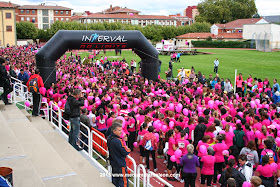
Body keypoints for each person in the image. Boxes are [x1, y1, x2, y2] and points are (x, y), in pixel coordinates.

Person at [107, 121, 131, 187]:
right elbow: (125, 152)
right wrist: (129, 149)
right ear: (114, 131)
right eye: (119, 130)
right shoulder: (118, 140)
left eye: (121, 130)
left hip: (113, 163)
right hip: (120, 164)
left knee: (115, 181)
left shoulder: (109, 138)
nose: (121, 131)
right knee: (124, 182)